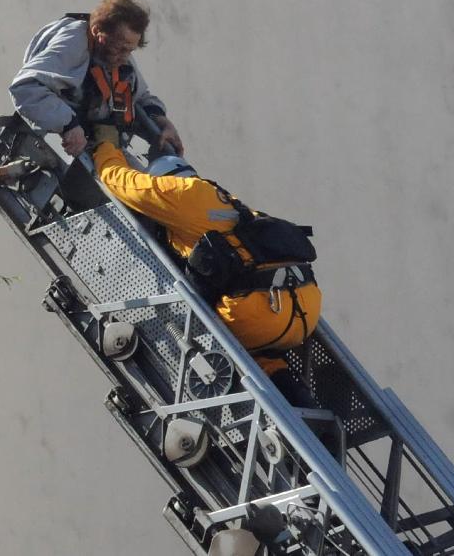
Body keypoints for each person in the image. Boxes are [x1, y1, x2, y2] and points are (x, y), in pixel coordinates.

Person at [81, 124, 322, 390]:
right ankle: (302, 404)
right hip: (304, 312)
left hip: (260, 314)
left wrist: (105, 146)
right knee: (261, 357)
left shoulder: (180, 193)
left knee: (216, 323)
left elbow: (121, 182)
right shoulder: (229, 203)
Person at [9, 0, 183, 158]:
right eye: (120, 47)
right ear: (96, 32)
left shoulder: (118, 58)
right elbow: (26, 87)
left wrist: (162, 123)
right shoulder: (73, 42)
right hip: (57, 153)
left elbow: (141, 99)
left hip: (102, 153)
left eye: (130, 50)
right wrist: (68, 124)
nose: (124, 57)